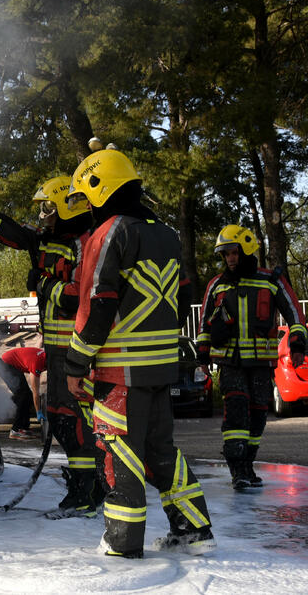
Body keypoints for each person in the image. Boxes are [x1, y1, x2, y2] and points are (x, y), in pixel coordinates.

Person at [63, 148, 215, 558]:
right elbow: (184, 297)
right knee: (161, 451)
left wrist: (75, 365)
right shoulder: (166, 233)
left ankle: (122, 543)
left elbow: (98, 304)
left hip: (118, 374)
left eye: (84, 196)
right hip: (161, 369)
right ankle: (193, 529)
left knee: (119, 452)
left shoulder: (109, 233)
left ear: (100, 188)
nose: (83, 208)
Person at [0, 176, 103, 519]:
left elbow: (82, 296)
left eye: (48, 207)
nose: (44, 215)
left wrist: (45, 285)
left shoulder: (85, 244)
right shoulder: (52, 241)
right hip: (61, 352)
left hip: (78, 352)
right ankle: (87, 486)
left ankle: (88, 492)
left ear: (65, 208)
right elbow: (15, 233)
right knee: (63, 420)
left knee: (75, 421)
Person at [197, 224, 307, 490]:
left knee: (258, 415)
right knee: (236, 415)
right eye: (225, 255)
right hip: (230, 363)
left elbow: (294, 314)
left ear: (246, 250)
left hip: (261, 364)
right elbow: (203, 325)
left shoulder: (271, 280)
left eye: (233, 253)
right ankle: (238, 472)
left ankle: (248, 467)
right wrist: (203, 353)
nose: (229, 259)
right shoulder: (217, 284)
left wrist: (298, 344)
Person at [0, 345, 46, 440]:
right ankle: (15, 430)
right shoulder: (37, 363)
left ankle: (23, 428)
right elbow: (35, 392)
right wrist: (38, 411)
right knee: (23, 395)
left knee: (26, 395)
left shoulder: (46, 357)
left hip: (12, 365)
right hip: (5, 366)